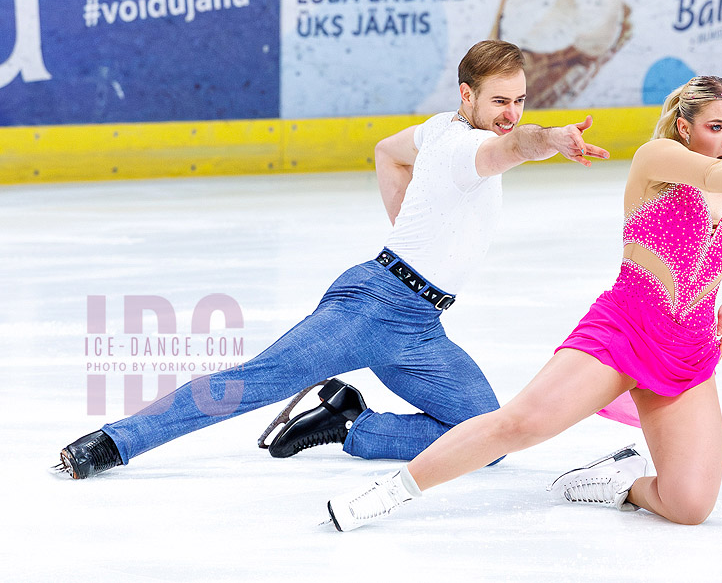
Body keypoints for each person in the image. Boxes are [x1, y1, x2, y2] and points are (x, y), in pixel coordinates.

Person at [56, 40, 611, 479]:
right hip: (371, 309)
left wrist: (408, 229)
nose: (510, 113)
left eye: (519, 101)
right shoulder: (466, 147)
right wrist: (549, 140)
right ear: (467, 95)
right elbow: (514, 147)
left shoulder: (440, 128)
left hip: (420, 325)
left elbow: (388, 153)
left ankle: (351, 424)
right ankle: (114, 442)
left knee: (487, 439)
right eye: (499, 101)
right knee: (253, 382)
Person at [326, 75, 722, 531]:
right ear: (684, 127)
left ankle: (615, 483)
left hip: (688, 349)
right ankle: (390, 492)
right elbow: (711, 177)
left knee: (689, 505)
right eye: (717, 127)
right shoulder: (657, 159)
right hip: (625, 331)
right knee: (520, 424)